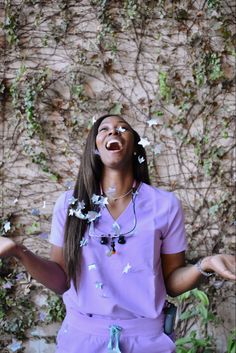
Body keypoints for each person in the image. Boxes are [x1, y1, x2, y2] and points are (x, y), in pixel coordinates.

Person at [0, 114, 235, 353]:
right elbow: (61, 280)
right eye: (105, 129)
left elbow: (171, 283)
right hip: (82, 341)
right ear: (94, 147)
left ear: (135, 146)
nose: (114, 131)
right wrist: (19, 252)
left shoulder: (165, 205)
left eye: (123, 128)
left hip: (146, 343)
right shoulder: (69, 204)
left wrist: (204, 264)